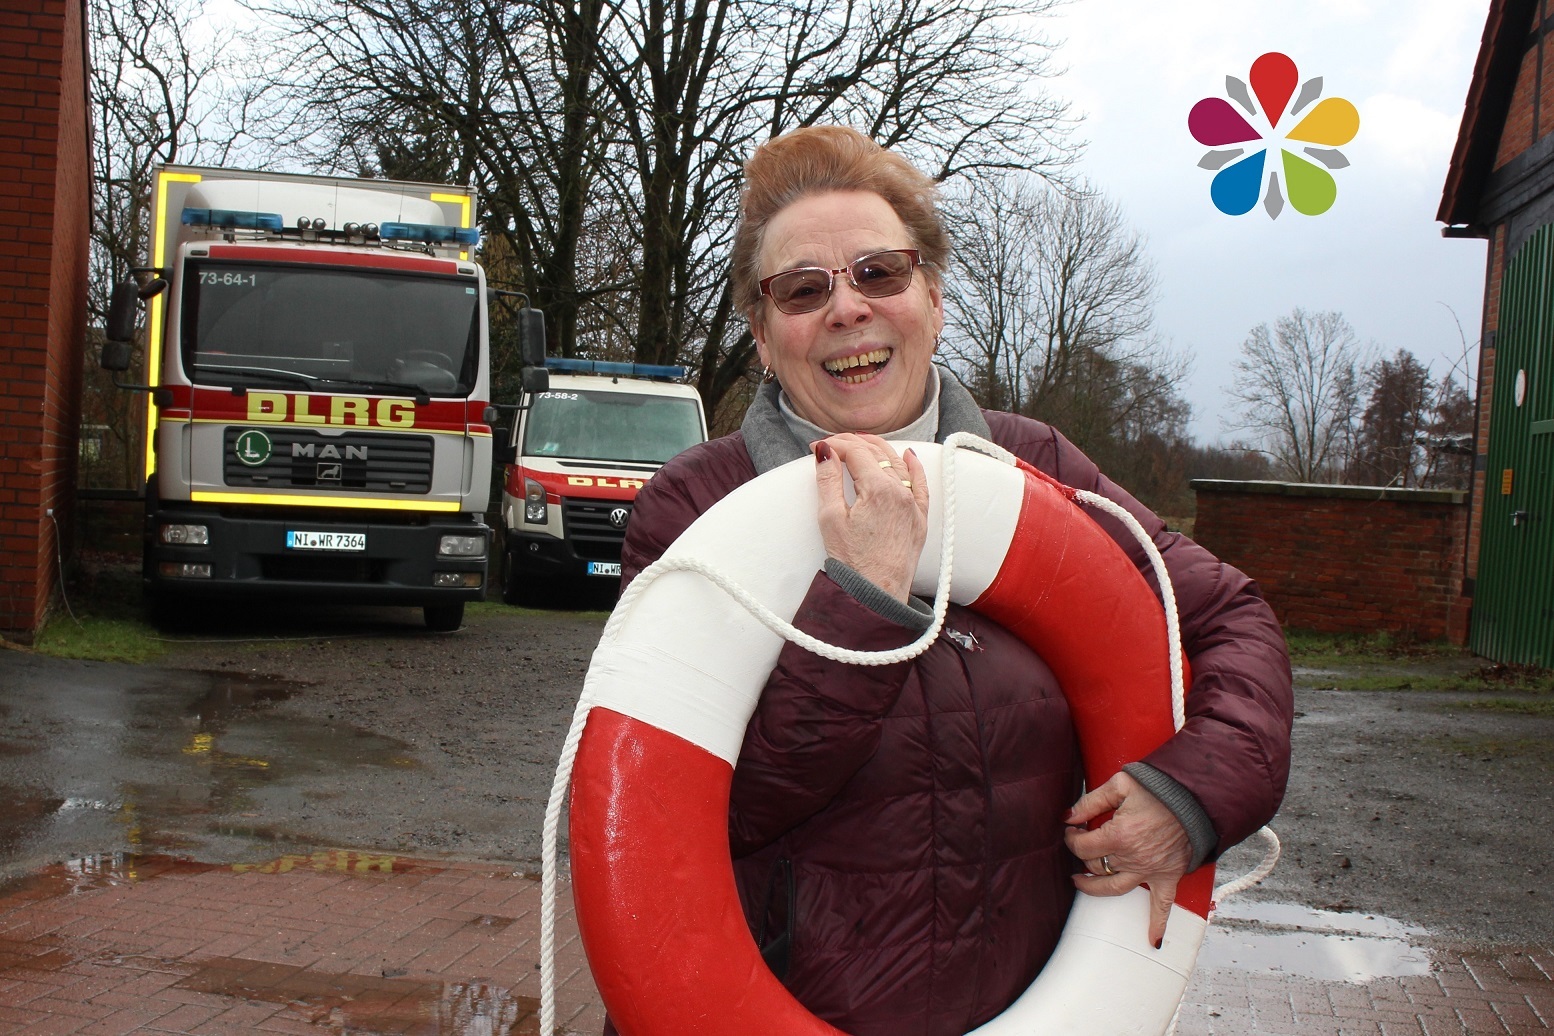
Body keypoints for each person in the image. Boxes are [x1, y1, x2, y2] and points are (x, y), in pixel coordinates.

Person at [614, 125, 1293, 1036]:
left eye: (880, 273)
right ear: (765, 339)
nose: (847, 309)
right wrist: (865, 600)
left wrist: (1194, 797)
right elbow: (712, 815)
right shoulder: (690, 512)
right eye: (804, 290)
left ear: (933, 299)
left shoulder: (1041, 470)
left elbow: (1231, 621)